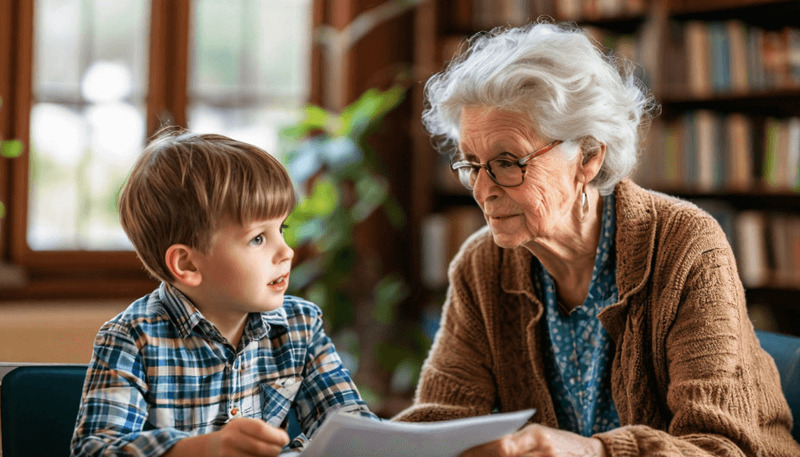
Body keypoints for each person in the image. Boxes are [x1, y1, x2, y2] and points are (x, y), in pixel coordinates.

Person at [394, 20, 800, 457]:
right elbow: (444, 418)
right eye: (472, 164)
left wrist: (592, 451)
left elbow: (723, 447)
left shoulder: (685, 246)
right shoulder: (482, 265)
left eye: (508, 162)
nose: (482, 189)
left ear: (587, 156)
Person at [70, 128, 376, 457]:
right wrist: (200, 449)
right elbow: (94, 451)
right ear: (187, 264)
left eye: (281, 229)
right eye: (258, 238)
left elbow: (354, 433)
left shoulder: (302, 325)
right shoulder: (131, 337)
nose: (286, 251)